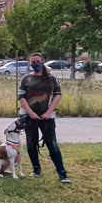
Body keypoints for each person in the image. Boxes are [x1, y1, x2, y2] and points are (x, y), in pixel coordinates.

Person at [17, 52, 71, 183]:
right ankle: (36, 169)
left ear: (43, 62)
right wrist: (30, 113)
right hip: (29, 116)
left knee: (52, 145)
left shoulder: (52, 79)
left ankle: (62, 173)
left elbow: (57, 95)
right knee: (31, 143)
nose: (35, 64)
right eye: (32, 62)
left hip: (47, 118)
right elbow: (21, 97)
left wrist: (49, 112)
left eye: (38, 61)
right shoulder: (26, 79)